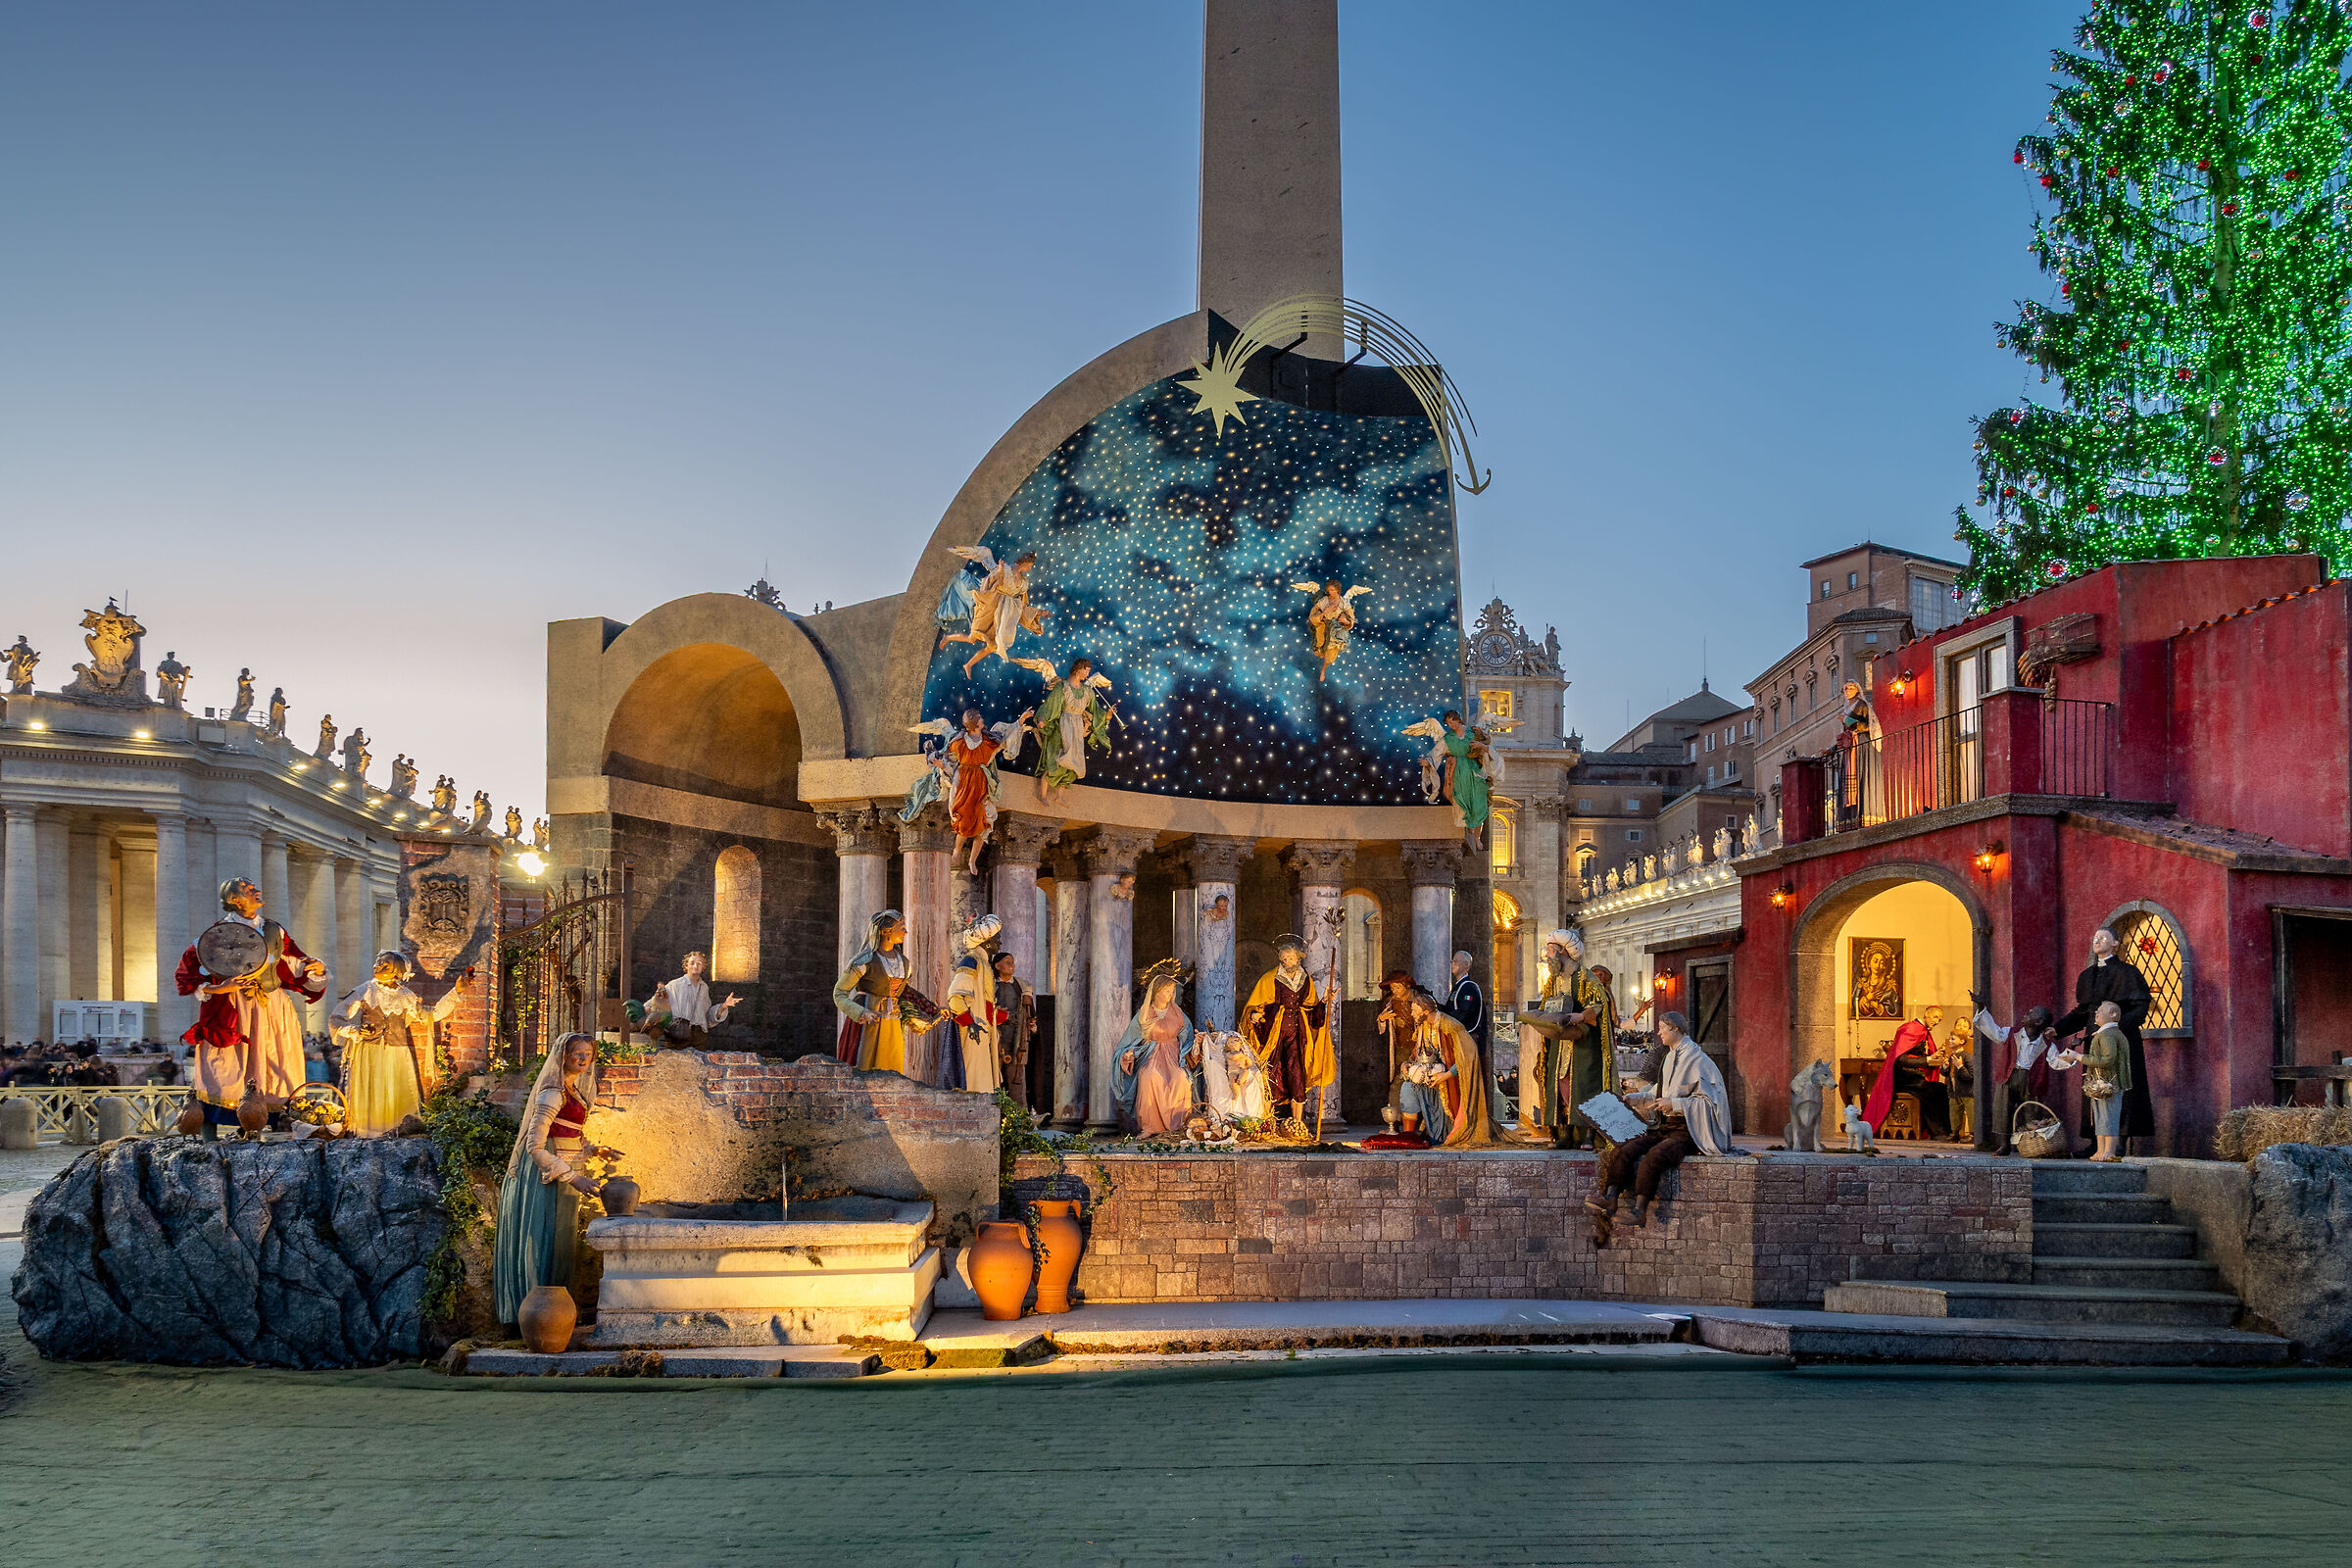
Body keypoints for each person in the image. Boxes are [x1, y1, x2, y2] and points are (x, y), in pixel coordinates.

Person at [173, 876, 327, 1138]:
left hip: (271, 1005)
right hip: (233, 1005)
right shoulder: (215, 934)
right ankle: (214, 1129)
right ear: (235, 901)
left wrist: (316, 967)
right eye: (247, 889)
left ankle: (274, 1124)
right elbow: (187, 972)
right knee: (230, 1064)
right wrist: (219, 988)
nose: (256, 890)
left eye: (253, 886)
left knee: (274, 1060)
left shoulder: (274, 930)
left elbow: (295, 960)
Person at [492, 1034, 617, 1326]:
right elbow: (535, 1146)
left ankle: (557, 1316)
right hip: (544, 1179)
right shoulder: (552, 1092)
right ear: (563, 1055)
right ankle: (537, 1316)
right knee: (543, 1239)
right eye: (577, 1053)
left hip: (565, 1172)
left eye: (588, 1053)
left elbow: (568, 1131)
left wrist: (593, 1149)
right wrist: (574, 1178)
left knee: (561, 1242)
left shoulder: (574, 1090)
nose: (583, 1059)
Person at [1587, 1010, 1732, 1241]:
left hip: (1687, 1131)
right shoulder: (1669, 1057)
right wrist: (1635, 1098)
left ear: (1674, 1029)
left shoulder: (1699, 1061)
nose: (1658, 1032)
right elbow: (1660, 1091)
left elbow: (1710, 1102)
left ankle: (1639, 1211)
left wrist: (1675, 1103)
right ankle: (1611, 1198)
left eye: (1662, 1028)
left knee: (1655, 1156)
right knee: (1626, 1149)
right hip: (1664, 1127)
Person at [330, 951, 471, 1137]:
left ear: (398, 971)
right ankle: (368, 1135)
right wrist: (356, 1030)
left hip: (396, 1054)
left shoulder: (406, 996)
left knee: (395, 1096)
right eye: (378, 962)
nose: (379, 967)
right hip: (369, 1053)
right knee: (372, 1093)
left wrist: (456, 991)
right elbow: (337, 1017)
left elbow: (431, 1015)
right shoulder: (365, 991)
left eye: (386, 965)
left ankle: (394, 1132)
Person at [2053, 926, 2154, 1152]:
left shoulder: (2128, 973)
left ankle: (2118, 1143)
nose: (2097, 940)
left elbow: (2140, 1008)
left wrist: (2112, 1027)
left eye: (2103, 937)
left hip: (2122, 1042)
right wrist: (2056, 1030)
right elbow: (2082, 1012)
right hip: (2094, 1043)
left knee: (2120, 1090)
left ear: (2115, 943)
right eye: (2095, 937)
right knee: (2094, 1088)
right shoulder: (2087, 975)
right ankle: (2096, 1143)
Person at [1518, 928, 1613, 1148]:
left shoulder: (1585, 977)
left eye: (1550, 950)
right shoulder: (1553, 981)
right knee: (1560, 1088)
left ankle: (1589, 1135)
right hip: (1559, 1044)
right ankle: (1565, 1134)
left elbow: (1599, 1004)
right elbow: (1545, 1006)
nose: (1547, 955)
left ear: (1562, 951)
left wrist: (1580, 1015)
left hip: (1583, 1042)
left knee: (1585, 1087)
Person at [832, 909, 942, 1077]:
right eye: (902, 928)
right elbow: (839, 993)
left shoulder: (904, 963)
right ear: (886, 931)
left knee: (892, 1071)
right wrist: (862, 1013)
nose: (906, 932)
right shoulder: (864, 961)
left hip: (893, 1025)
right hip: (868, 1023)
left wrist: (933, 1011)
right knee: (865, 1069)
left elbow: (905, 993)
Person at [1243, 935, 1334, 1133]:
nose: (1287, 962)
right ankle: (1268, 1121)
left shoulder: (1305, 979)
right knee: (1272, 1072)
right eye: (1283, 959)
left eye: (1290, 958)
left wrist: (1324, 1001)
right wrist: (1256, 1014)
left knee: (1296, 1073)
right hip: (1274, 1034)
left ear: (1298, 958)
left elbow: (1311, 1007)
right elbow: (1255, 1004)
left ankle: (1297, 1123)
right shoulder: (1270, 978)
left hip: (1297, 1033)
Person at [1396, 988, 1499, 1149]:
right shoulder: (1423, 1027)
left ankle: (1440, 1134)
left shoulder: (1451, 1027)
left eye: (1415, 1011)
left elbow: (1467, 1058)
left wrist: (1446, 1075)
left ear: (1425, 1010)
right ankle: (1409, 1136)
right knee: (1407, 1089)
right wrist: (1408, 1063)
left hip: (1447, 1081)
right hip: (1426, 1077)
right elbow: (1418, 1052)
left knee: (1440, 1131)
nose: (1412, 1014)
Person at [1113, 961, 1198, 1136]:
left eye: (1172, 991)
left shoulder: (1177, 1013)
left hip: (1174, 1056)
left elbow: (1187, 1037)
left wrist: (1197, 1044)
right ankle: (1150, 1127)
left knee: (1180, 1078)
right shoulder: (1144, 1014)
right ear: (1157, 992)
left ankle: (1178, 1127)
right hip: (1151, 1055)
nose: (1171, 994)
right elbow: (1129, 1042)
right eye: (1168, 991)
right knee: (1148, 1077)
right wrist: (1128, 1054)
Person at [2049, 1002, 2132, 1161]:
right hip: (2101, 1085)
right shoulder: (2104, 1034)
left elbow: (2108, 1060)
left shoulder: (2109, 1035)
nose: (2096, 1013)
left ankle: (2109, 1150)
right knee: (2101, 1117)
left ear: (2113, 1014)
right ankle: (2101, 1150)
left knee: (2109, 1117)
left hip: (2109, 1084)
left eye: (2101, 1011)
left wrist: (2077, 1057)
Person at [1974, 1000, 2060, 1152]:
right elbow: (1993, 1031)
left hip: (2031, 1080)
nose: (2027, 1013)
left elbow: (2056, 1062)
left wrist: (2072, 1050)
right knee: (2002, 1110)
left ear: (2039, 1022)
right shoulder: (2011, 1033)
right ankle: (2004, 1145)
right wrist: (1982, 1008)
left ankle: (2031, 1145)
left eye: (2032, 1013)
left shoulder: (2046, 1044)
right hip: (2008, 1075)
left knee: (2032, 1111)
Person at [939, 916, 1006, 1095]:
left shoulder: (982, 962)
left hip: (980, 1029)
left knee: (982, 1080)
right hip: (973, 1031)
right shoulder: (971, 961)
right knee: (973, 1080)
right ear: (987, 942)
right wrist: (969, 1023)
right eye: (997, 937)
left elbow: (983, 1002)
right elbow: (955, 996)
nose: (1000, 941)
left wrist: (1001, 1017)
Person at [1861, 1005, 1950, 1139]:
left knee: (1940, 1090)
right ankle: (1938, 1132)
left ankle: (1940, 1131)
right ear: (1926, 1014)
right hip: (1903, 1077)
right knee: (1936, 1091)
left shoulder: (1923, 1031)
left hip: (1913, 1077)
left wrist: (1934, 1056)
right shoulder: (1910, 1029)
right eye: (1935, 1017)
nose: (1936, 1022)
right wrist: (1928, 1059)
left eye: (1940, 1020)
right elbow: (1900, 1058)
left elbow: (1921, 1054)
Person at [648, 952, 740, 1049]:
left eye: (699, 963)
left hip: (699, 1036)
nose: (695, 966)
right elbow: (655, 1002)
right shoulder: (675, 985)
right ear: (686, 965)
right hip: (678, 1035)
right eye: (692, 963)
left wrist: (724, 1005)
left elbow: (707, 1015)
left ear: (703, 967)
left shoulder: (704, 987)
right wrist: (646, 1010)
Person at [992, 949, 1037, 1109]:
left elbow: (1031, 1014)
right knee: (992, 1081)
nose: (1012, 965)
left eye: (1013, 962)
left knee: (1017, 1081)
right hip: (994, 1039)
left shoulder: (1022, 987)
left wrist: (1031, 1024)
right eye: (1007, 962)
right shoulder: (989, 985)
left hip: (1016, 1041)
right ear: (997, 965)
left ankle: (1019, 1123)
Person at [1443, 950, 1487, 1050]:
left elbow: (1463, 1012)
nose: (1453, 964)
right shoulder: (1458, 986)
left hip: (1466, 1039)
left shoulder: (1469, 987)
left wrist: (1443, 1022)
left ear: (1467, 965)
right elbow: (1448, 1010)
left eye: (1456, 961)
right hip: (1458, 1037)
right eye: (1452, 961)